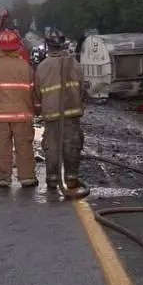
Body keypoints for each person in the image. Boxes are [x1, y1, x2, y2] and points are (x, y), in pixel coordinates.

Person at [0, 29, 39, 188]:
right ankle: (27, 178)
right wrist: (37, 109)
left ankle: (3, 178)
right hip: (22, 117)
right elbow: (35, 92)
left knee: (2, 148)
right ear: (17, 47)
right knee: (24, 147)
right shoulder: (25, 67)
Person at [34, 29, 88, 198]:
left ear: (47, 46)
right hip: (71, 114)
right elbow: (82, 88)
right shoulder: (75, 64)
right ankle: (71, 180)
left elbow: (37, 94)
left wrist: (38, 109)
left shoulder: (42, 67)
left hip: (51, 115)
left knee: (52, 147)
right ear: (63, 44)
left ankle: (52, 180)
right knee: (72, 146)